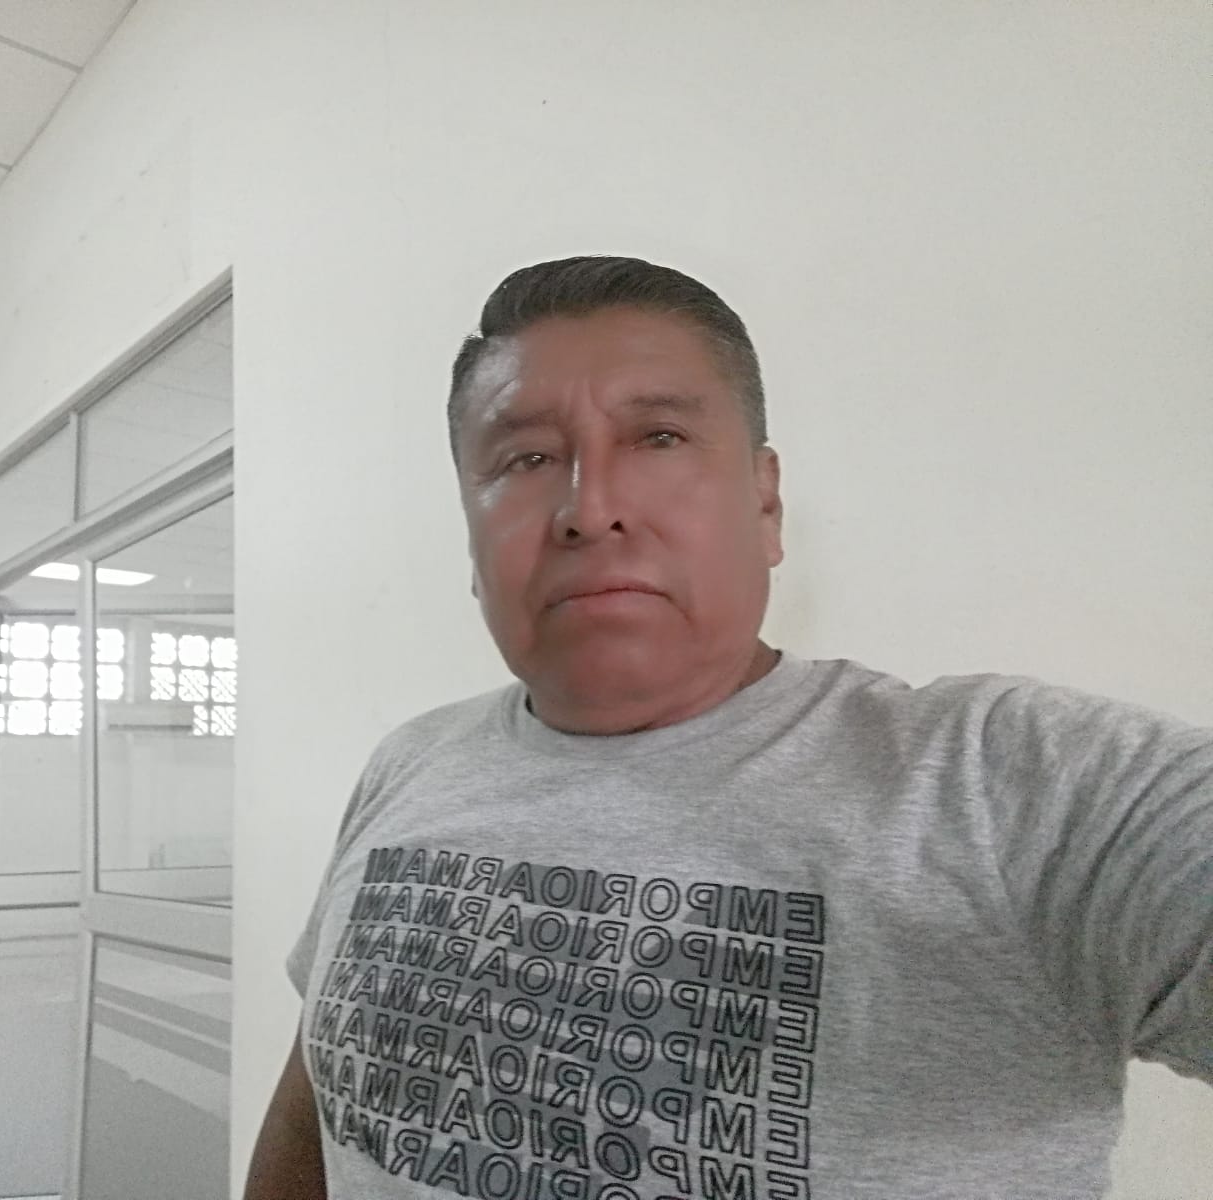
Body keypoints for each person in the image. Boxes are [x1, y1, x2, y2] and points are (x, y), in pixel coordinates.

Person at [243, 256, 1213, 1200]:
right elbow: (315, 1107)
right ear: (471, 538)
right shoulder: (409, 764)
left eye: (658, 438)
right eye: (526, 458)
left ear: (765, 502)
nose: (589, 509)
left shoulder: (1006, 788)